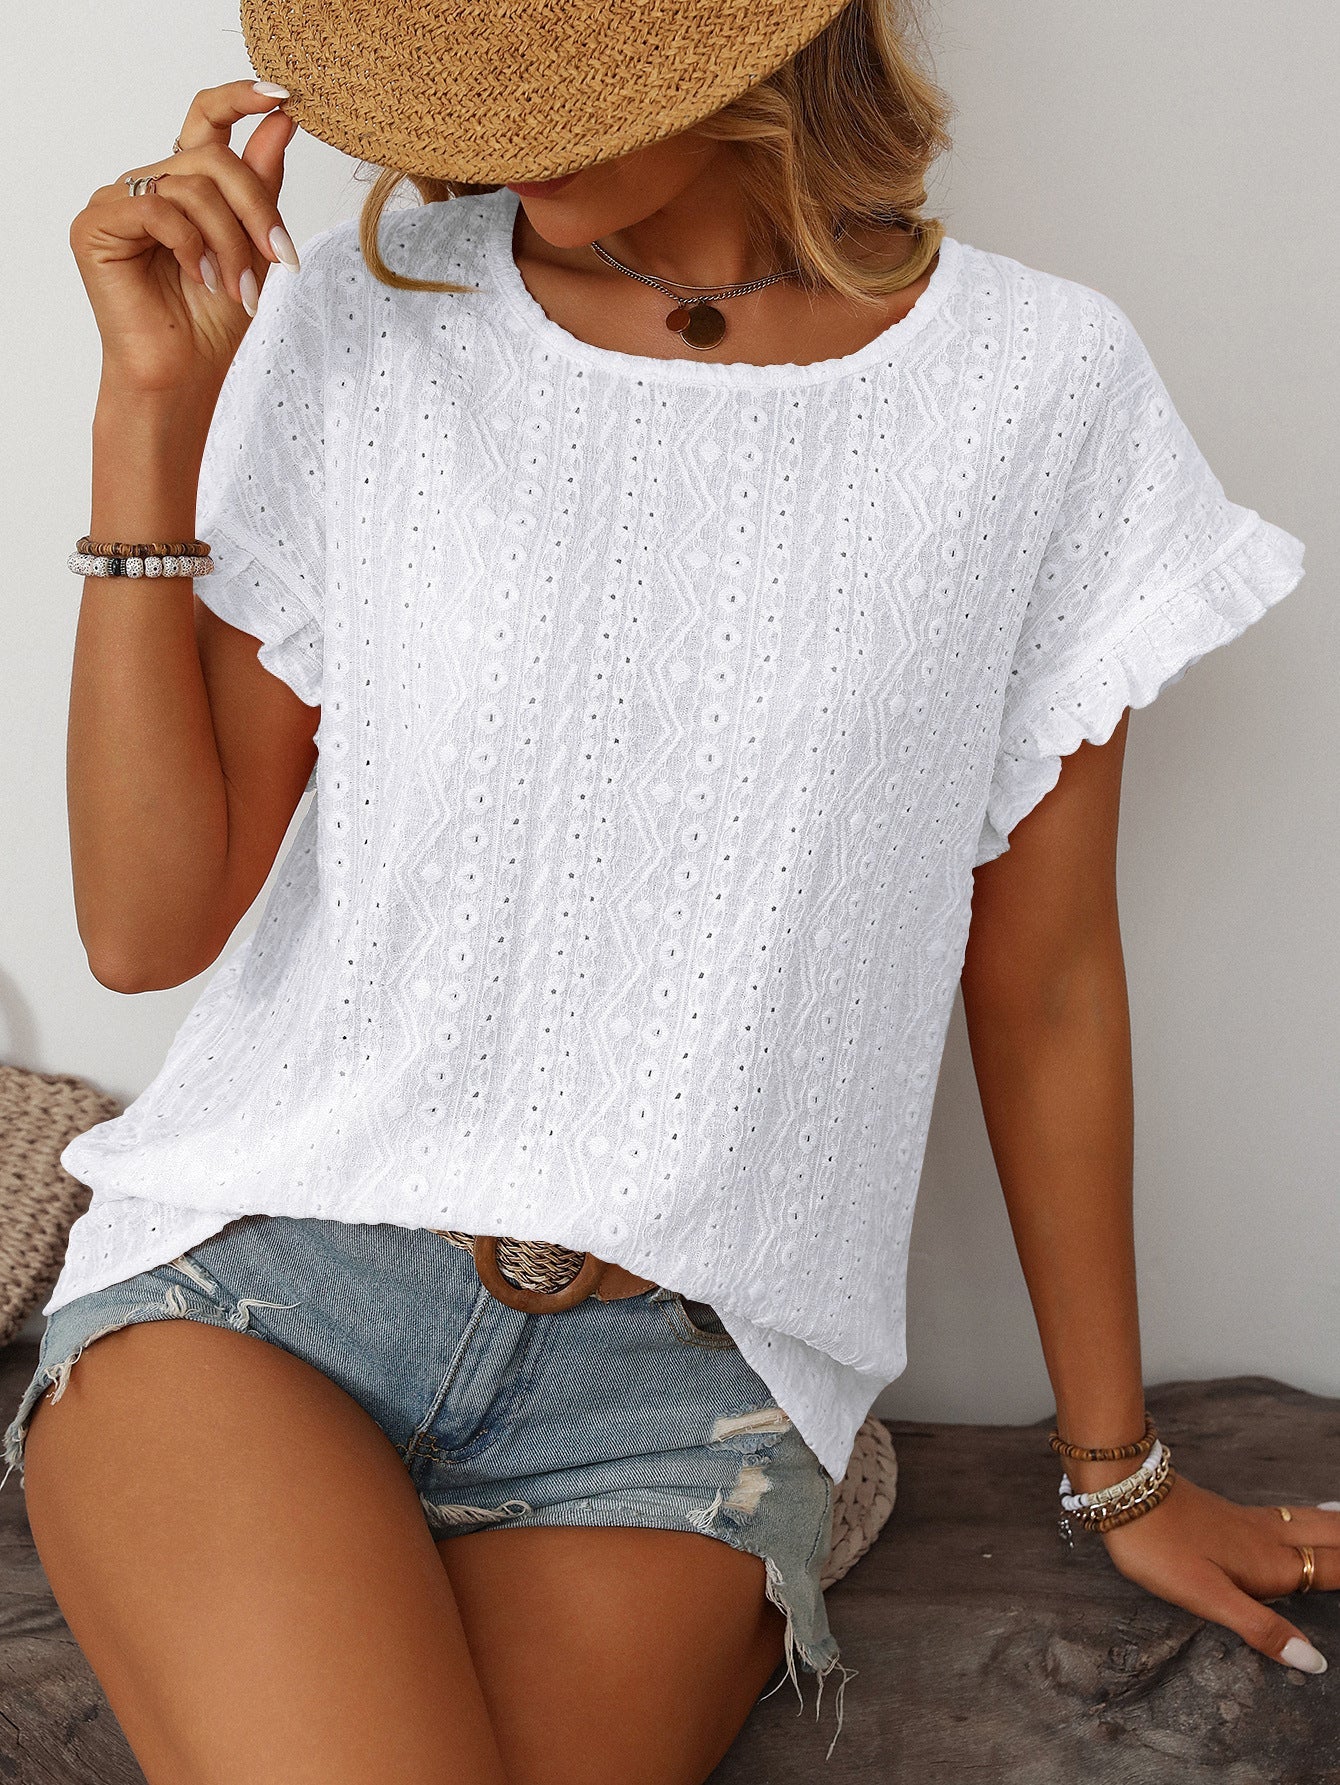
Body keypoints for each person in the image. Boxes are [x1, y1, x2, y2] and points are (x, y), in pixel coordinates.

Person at [3, 0, 1330, 1779]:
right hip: (264, 1293)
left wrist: (1122, 1469)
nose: (508, 125)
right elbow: (145, 928)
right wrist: (150, 413)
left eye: (570, 68)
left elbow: (1048, 981)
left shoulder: (1040, 388)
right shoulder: (365, 322)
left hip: (678, 1400)